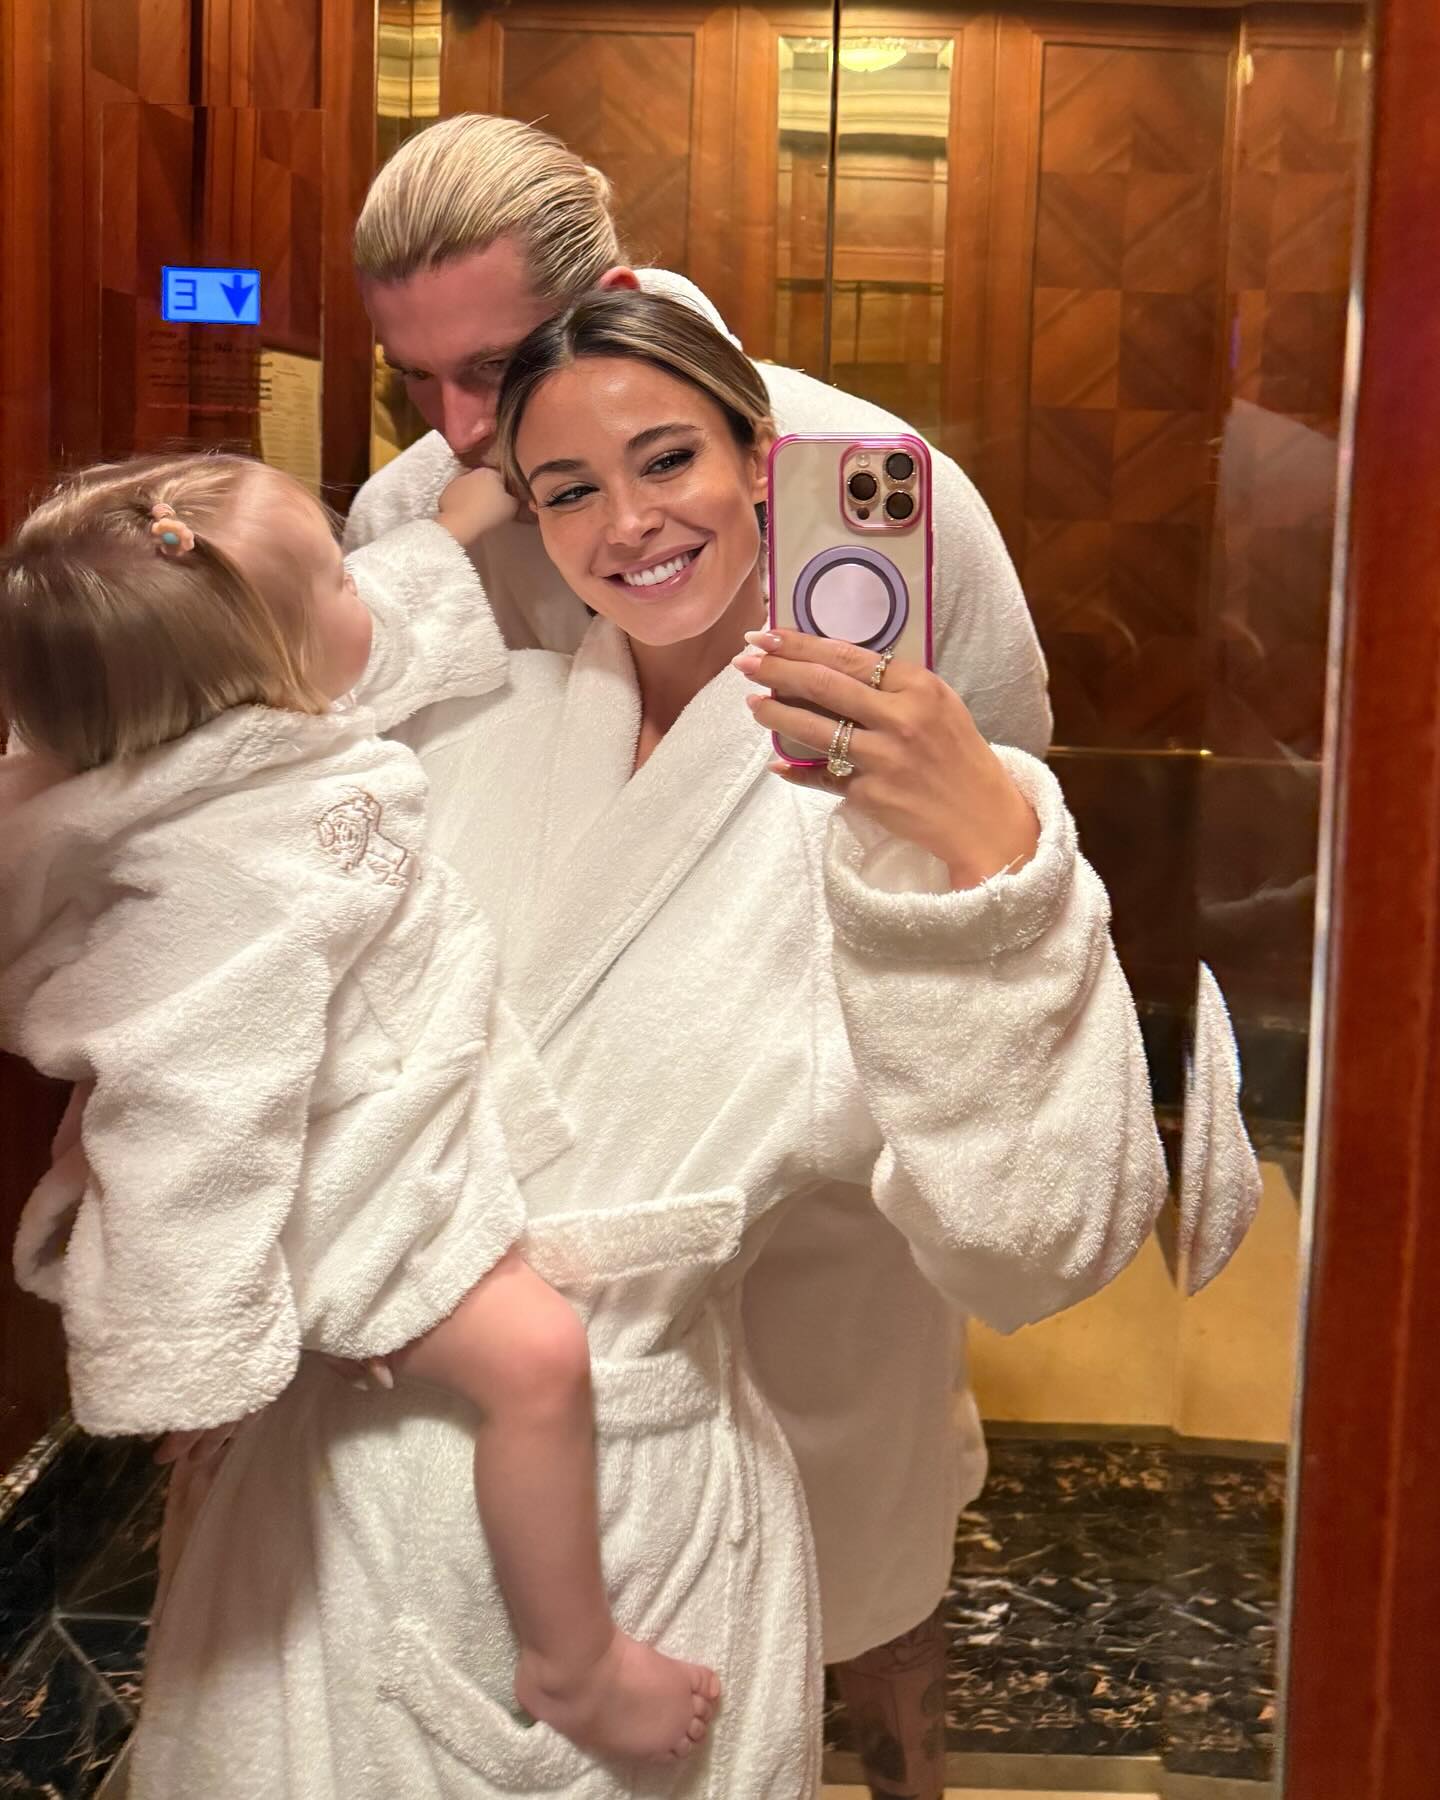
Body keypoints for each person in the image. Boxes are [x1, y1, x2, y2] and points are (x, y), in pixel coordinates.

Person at [90, 288, 1158, 1798]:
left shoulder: (882, 816)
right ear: (525, 516)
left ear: (761, 459)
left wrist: (991, 854)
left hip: (635, 1518)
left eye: (668, 460)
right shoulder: (448, 736)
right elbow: (228, 984)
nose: (631, 523)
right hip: (317, 1497)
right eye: (569, 488)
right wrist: (227, 1304)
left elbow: (1041, 1241)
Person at [343, 113, 1054, 1799]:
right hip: (534, 1158)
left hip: (808, 1130)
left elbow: (1002, 788)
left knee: (860, 1552)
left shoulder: (865, 475)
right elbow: (352, 797)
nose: (461, 424)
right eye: (414, 377)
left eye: (492, 366)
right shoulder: (415, 506)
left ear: (618, 294)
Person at [0, 451, 720, 1765]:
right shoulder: (229, 874)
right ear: (265, 666)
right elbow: (192, 1115)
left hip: (344, 1115)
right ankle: (576, 1664)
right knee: (538, 1362)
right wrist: (203, 1356)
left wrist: (462, 516)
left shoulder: (231, 738)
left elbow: (372, 632)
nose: (367, 595)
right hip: (334, 1192)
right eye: (336, 579)